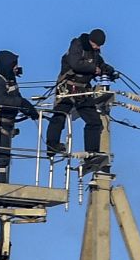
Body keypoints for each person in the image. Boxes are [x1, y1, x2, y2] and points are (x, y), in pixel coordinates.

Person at [44, 28, 118, 168]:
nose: (98, 47)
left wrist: (108, 70)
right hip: (67, 88)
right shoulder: (77, 45)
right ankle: (52, 146)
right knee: (59, 116)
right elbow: (75, 63)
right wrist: (93, 69)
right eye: (97, 44)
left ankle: (92, 154)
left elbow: (100, 64)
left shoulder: (95, 52)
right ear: (91, 40)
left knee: (94, 121)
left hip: (83, 91)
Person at [0, 49, 39, 184]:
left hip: (7, 124)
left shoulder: (10, 81)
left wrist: (29, 110)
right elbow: (1, 99)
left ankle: (0, 182)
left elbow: (16, 99)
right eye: (14, 65)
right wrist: (22, 103)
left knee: (4, 156)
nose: (16, 68)